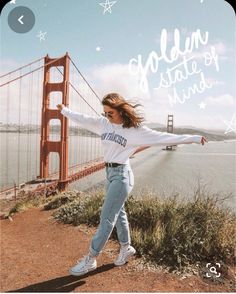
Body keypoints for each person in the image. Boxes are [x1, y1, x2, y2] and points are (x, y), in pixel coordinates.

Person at [57, 92, 207, 276]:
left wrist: (193, 138)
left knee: (106, 218)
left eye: (110, 113)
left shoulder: (135, 131)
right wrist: (65, 110)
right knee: (119, 214)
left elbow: (163, 137)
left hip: (122, 176)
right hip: (110, 174)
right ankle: (126, 248)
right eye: (104, 113)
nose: (107, 116)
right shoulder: (103, 123)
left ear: (121, 111)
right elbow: (82, 119)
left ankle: (91, 259)